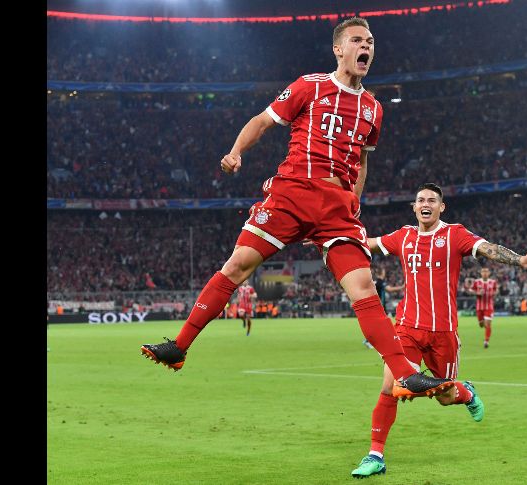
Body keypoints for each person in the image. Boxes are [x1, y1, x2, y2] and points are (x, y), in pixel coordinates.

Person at [141, 17, 453, 398]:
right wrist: (236, 152)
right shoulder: (310, 86)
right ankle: (180, 346)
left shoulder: (373, 109)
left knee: (363, 286)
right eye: (357, 40)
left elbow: (363, 160)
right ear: (339, 49)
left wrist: (354, 199)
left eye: (370, 41)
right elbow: (262, 120)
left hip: (337, 208)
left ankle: (404, 373)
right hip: (292, 194)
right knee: (238, 265)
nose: (366, 47)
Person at [350, 183, 527, 478]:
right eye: (420, 200)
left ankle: (466, 393)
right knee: (391, 387)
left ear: (441, 207)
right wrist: (327, 239)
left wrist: (519, 259)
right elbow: (363, 243)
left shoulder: (454, 234)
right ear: (414, 207)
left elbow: (487, 249)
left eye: (432, 200)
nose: (425, 203)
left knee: (445, 397)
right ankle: (375, 455)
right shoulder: (402, 236)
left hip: (443, 332)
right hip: (406, 327)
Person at [467, 266, 498, 348]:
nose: (485, 273)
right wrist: (477, 293)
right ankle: (482, 323)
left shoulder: (493, 282)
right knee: (481, 324)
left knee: (488, 324)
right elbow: (470, 290)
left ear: (489, 273)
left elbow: (496, 290)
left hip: (489, 306)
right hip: (479, 307)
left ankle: (486, 341)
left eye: (486, 271)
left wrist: (494, 294)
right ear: (481, 273)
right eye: (483, 272)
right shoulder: (477, 282)